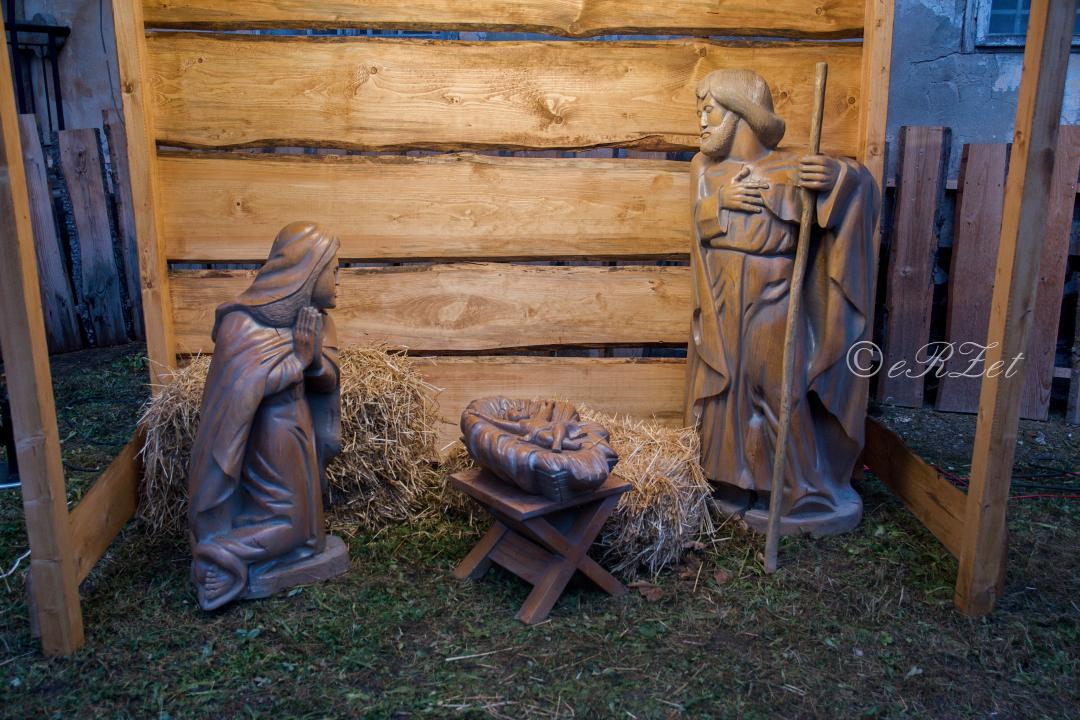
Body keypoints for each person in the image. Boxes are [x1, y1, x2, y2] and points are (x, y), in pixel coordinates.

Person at [686, 69, 880, 536]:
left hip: (774, 295)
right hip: (722, 296)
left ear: (740, 113)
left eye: (710, 111)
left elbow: (860, 192)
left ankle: (804, 489)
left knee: (778, 390)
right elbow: (696, 225)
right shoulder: (704, 169)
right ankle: (732, 479)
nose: (702, 122)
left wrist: (840, 177)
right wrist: (721, 202)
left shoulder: (793, 168)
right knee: (728, 390)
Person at [187, 221, 345, 610]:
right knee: (291, 524)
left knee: (306, 529)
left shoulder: (318, 321)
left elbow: (328, 379)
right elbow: (243, 392)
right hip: (268, 434)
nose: (339, 280)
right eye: (334, 269)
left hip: (297, 427)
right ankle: (218, 556)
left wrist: (312, 362)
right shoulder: (243, 324)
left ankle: (285, 555)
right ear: (308, 270)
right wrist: (298, 362)